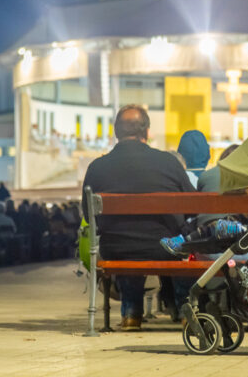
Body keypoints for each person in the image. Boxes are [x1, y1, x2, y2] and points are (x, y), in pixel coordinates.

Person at [82, 105, 195, 332]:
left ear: (116, 132)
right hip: (165, 247)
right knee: (179, 244)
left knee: (129, 244)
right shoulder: (168, 163)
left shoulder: (97, 167)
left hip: (117, 248)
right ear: (147, 131)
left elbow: (88, 214)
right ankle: (186, 311)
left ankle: (131, 314)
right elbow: (192, 206)